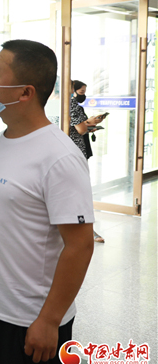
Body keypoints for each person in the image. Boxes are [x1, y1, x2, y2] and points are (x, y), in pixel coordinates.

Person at [0, 40, 95, 364]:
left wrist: (49, 320)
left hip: (29, 320)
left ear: (25, 92)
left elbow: (80, 246)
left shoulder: (59, 157)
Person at [69, 79, 106, 243]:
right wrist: (88, 124)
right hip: (75, 152)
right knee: (80, 191)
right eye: (80, 91)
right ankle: (88, 230)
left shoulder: (48, 105)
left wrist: (89, 123)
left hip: (63, 152)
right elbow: (81, 129)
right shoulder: (72, 105)